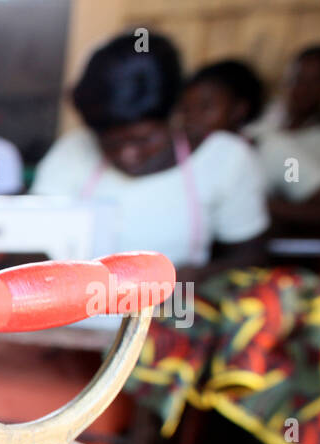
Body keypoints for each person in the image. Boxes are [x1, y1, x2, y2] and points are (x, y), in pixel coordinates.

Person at [31, 31, 268, 281]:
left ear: (177, 113)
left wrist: (193, 277)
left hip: (176, 314)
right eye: (109, 143)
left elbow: (250, 257)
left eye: (144, 140)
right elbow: (30, 243)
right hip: (82, 318)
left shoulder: (226, 158)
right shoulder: (72, 152)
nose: (127, 155)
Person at [245, 46, 320, 231]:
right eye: (298, 79)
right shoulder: (263, 123)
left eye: (315, 81)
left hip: (310, 220)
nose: (304, 88)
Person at [180, 59, 264, 149]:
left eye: (205, 107)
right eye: (186, 109)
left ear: (238, 110)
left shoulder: (246, 155)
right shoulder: (183, 149)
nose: (192, 116)